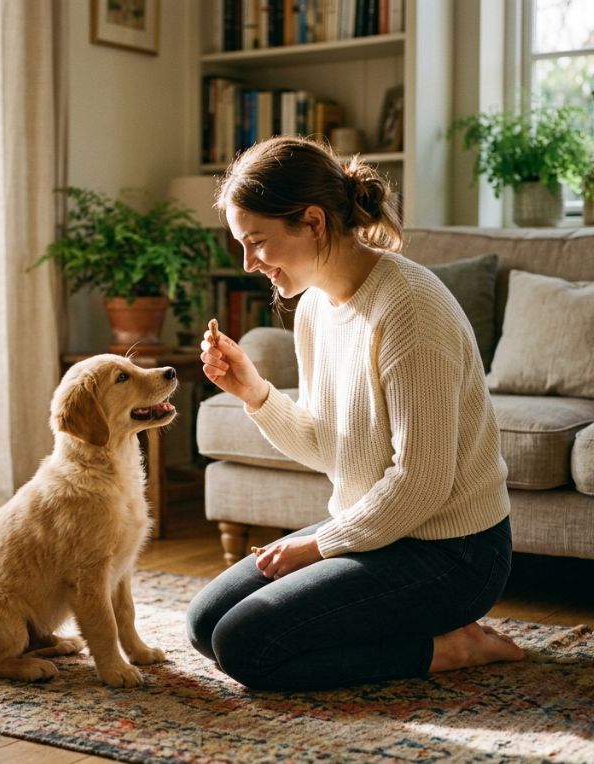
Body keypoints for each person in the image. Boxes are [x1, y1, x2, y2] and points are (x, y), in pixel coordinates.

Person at [186, 135, 525, 691]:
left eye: (257, 242)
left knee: (245, 646)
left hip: (453, 553)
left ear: (313, 222)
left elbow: (421, 483)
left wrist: (317, 546)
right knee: (204, 626)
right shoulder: (316, 306)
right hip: (380, 530)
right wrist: (256, 394)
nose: (249, 264)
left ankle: (448, 647)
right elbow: (330, 444)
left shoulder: (409, 310)